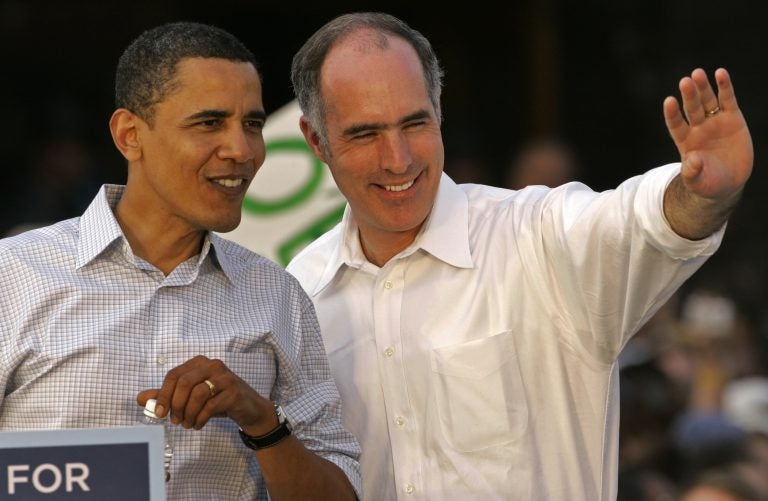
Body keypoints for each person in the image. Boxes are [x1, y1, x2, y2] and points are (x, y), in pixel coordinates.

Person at [286, 12, 753, 500]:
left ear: (439, 108)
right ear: (316, 140)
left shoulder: (538, 237)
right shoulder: (300, 292)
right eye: (366, 134)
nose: (398, 157)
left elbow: (638, 223)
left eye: (414, 123)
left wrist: (701, 193)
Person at [0, 22, 360, 500]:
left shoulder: (279, 297)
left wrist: (261, 422)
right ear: (130, 135)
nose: (242, 150)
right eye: (209, 123)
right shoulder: (13, 276)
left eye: (252, 124)